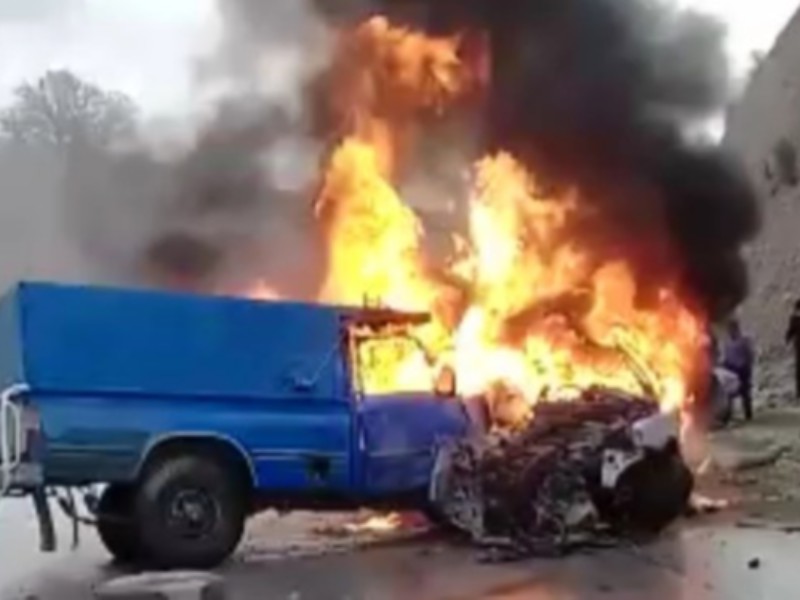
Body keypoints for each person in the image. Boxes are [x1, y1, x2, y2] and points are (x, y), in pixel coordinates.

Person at [721, 318, 755, 421]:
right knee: (729, 394)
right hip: (731, 370)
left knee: (745, 393)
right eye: (729, 329)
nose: (731, 331)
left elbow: (749, 355)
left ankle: (748, 414)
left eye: (732, 329)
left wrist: (748, 366)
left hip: (742, 370)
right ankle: (728, 415)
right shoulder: (727, 343)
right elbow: (726, 356)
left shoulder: (744, 341)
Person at [786, 300, 800, 400]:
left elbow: (790, 331)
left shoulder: (794, 319)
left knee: (798, 370)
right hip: (798, 347)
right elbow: (790, 331)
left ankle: (798, 392)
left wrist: (787, 339)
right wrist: (787, 339)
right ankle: (798, 392)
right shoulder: (794, 319)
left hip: (798, 346)